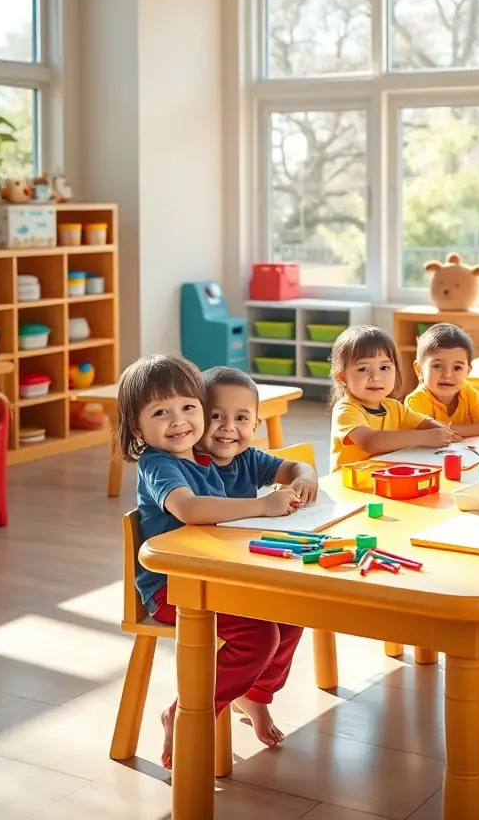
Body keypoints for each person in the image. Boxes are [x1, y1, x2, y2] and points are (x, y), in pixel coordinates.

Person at [118, 354, 316, 768]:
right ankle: (187, 714)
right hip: (173, 588)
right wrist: (261, 506)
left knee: (294, 612)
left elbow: (294, 466)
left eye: (188, 408)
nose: (179, 421)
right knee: (259, 637)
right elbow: (189, 509)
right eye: (161, 413)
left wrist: (304, 477)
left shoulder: (211, 457)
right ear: (137, 427)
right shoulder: (158, 463)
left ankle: (255, 694)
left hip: (221, 577)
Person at [329, 325, 453, 472]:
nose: (376, 377)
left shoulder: (394, 407)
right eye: (363, 369)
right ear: (342, 378)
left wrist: (444, 432)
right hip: (350, 483)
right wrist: (425, 437)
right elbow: (370, 441)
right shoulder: (346, 410)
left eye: (384, 368)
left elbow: (425, 423)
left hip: (384, 478)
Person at [405, 323, 479, 437]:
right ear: (419, 369)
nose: (447, 375)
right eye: (437, 366)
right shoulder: (416, 401)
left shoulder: (469, 394)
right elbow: (424, 433)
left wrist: (451, 430)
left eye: (457, 368)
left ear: (468, 371)